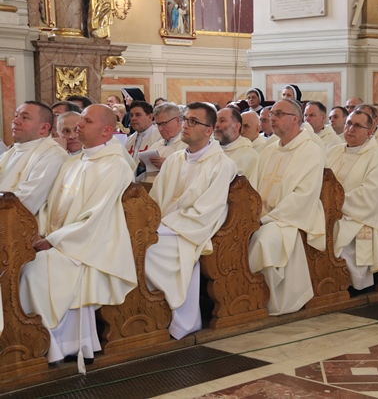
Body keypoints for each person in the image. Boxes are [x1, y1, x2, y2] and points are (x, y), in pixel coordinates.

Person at [19, 104, 136, 368]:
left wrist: (54, 240)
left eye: (87, 121)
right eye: (81, 119)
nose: (80, 125)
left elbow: (97, 217)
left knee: (32, 271)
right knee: (20, 262)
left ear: (107, 131)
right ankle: (54, 343)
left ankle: (48, 343)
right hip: (61, 241)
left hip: (88, 247)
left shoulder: (115, 166)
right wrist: (41, 232)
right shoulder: (72, 161)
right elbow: (49, 206)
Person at [146, 102, 236, 339]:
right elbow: (154, 201)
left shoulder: (222, 164)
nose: (185, 125)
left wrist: (161, 228)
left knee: (145, 250)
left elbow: (206, 212)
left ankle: (171, 316)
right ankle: (151, 312)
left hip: (191, 233)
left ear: (209, 130)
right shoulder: (174, 160)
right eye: (185, 119)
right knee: (137, 243)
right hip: (165, 228)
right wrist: (149, 224)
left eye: (193, 121)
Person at [248, 98, 326, 315]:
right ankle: (242, 294)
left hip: (292, 219)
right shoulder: (268, 150)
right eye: (272, 114)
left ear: (295, 119)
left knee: (263, 241)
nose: (272, 118)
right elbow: (252, 188)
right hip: (263, 217)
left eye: (279, 114)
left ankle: (266, 298)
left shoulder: (311, 151)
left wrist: (266, 219)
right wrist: (250, 215)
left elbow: (304, 196)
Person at [327, 109, 378, 294]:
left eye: (357, 126)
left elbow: (371, 193)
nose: (351, 129)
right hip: (332, 208)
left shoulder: (377, 155)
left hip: (361, 214)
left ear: (369, 132)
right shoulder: (334, 151)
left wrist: (336, 203)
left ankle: (352, 283)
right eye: (348, 124)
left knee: (338, 229)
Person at [0, 101, 68, 216]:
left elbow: (26, 203)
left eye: (25, 118)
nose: (15, 121)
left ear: (44, 127)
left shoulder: (53, 155)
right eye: (16, 116)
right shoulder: (9, 153)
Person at [143, 102, 187, 182]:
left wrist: (167, 165)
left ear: (178, 120)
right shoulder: (156, 145)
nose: (160, 129)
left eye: (164, 123)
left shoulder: (187, 144)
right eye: (158, 124)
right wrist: (142, 165)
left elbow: (190, 172)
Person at [214, 106, 259, 184]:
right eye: (215, 121)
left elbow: (251, 188)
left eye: (222, 121)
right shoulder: (209, 150)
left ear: (236, 126)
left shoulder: (250, 156)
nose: (217, 125)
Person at [125, 100, 162, 175]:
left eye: (138, 115)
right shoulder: (130, 139)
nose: (133, 118)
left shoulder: (159, 136)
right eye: (131, 115)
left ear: (150, 117)